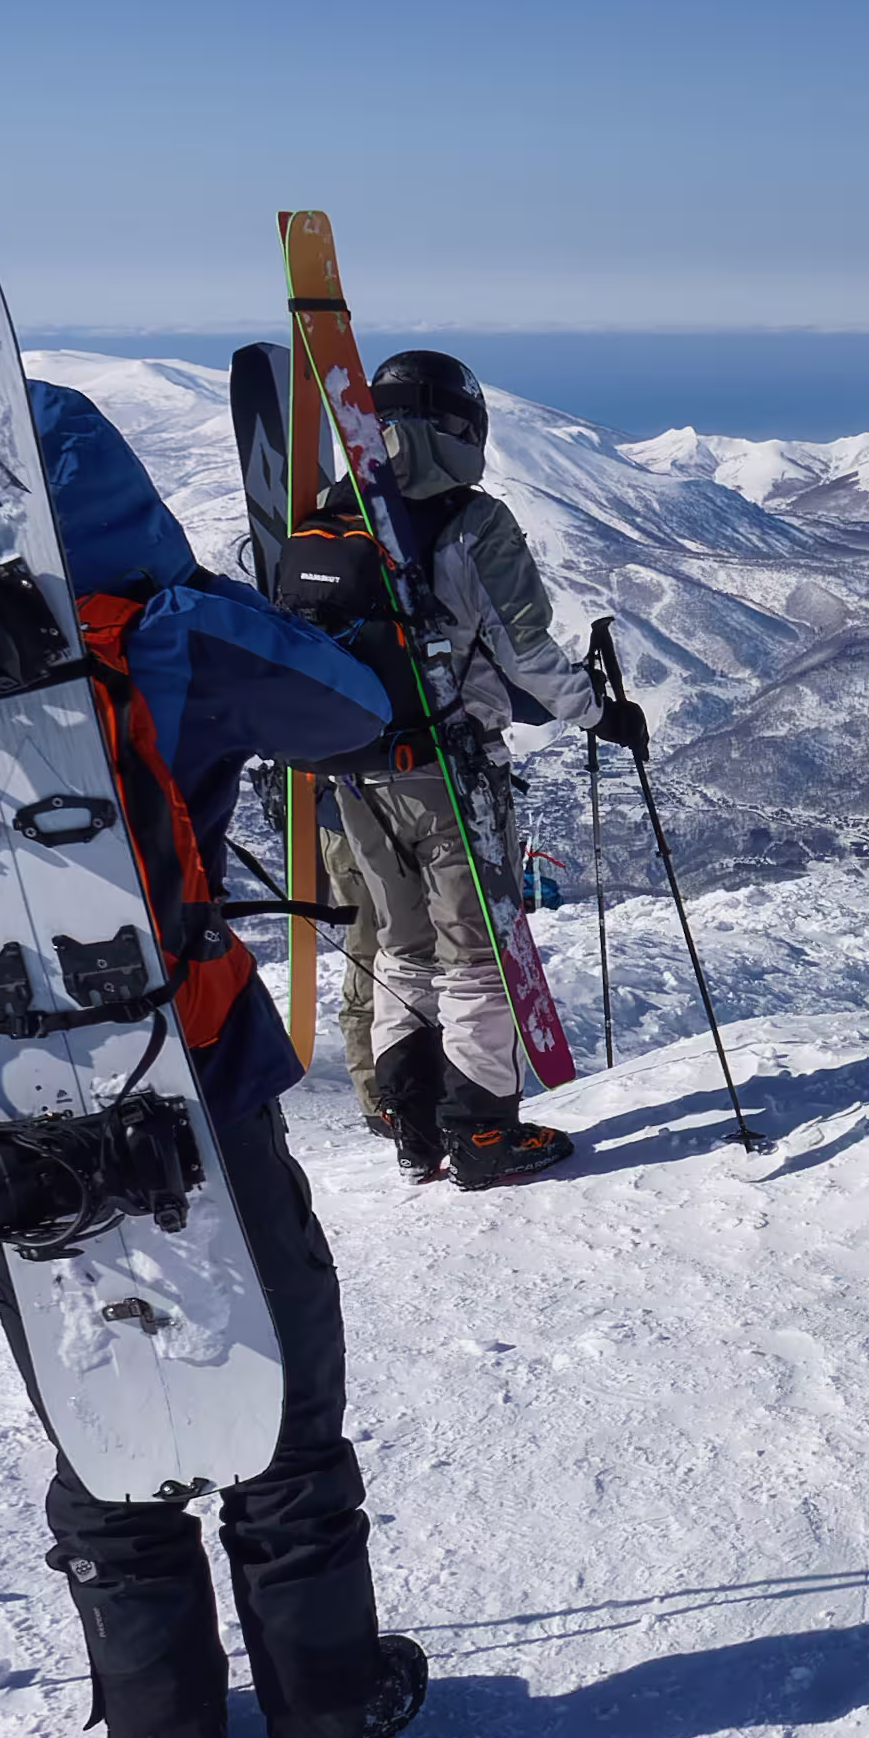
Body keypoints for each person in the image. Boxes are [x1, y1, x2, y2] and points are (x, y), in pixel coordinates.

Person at [0, 378, 428, 1738]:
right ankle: (326, 1711)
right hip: (191, 1065)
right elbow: (352, 712)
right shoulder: (165, 629)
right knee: (277, 1376)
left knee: (107, 1394)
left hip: (10, 1100)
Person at [322, 349, 579, 1191]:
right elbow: (529, 654)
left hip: (354, 774)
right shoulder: (473, 523)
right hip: (447, 770)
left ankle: (413, 1130)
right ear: (461, 429)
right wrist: (600, 711)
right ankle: (480, 1137)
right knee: (476, 954)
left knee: (404, 947)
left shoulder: (334, 514)